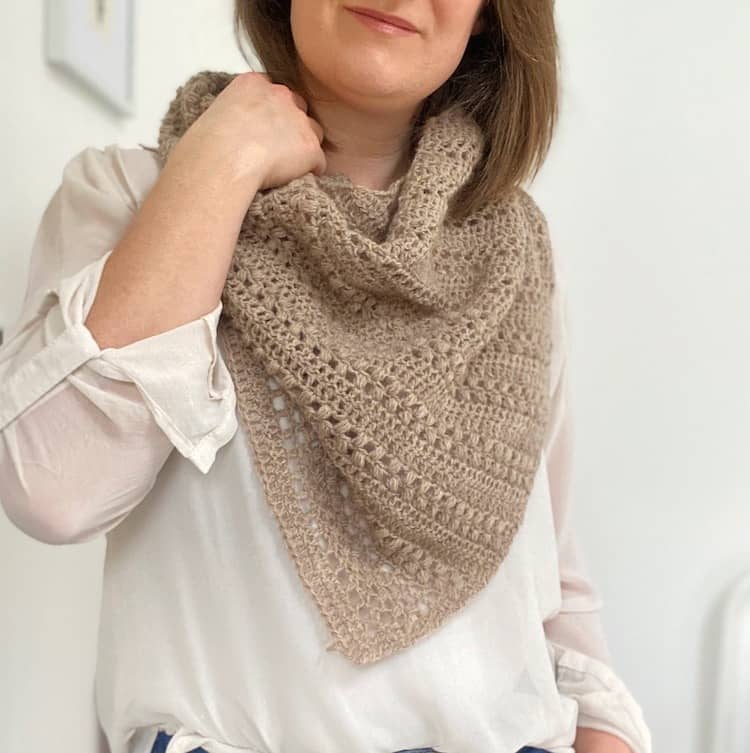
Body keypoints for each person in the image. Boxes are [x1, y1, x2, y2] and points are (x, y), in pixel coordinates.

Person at [0, 2, 652, 753]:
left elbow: (555, 582)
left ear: (486, 16)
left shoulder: (520, 259)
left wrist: (609, 732)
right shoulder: (129, 195)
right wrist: (224, 157)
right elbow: (50, 489)